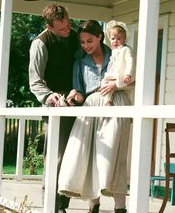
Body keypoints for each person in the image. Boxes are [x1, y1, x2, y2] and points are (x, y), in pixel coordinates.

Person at [58, 20, 135, 213]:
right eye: (82, 42)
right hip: (92, 106)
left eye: (89, 40)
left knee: (115, 154)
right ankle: (93, 203)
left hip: (115, 104)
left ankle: (120, 207)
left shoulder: (117, 52)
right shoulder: (80, 63)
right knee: (91, 153)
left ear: (100, 37)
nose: (86, 46)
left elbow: (132, 77)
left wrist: (116, 85)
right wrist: (76, 95)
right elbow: (82, 92)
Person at [28, 3, 79, 213]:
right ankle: (53, 205)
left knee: (76, 156)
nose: (67, 31)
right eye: (61, 29)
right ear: (49, 27)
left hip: (80, 104)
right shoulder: (40, 44)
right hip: (56, 107)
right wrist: (50, 96)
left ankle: (64, 204)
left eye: (68, 25)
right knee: (57, 157)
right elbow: (35, 81)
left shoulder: (77, 36)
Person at [101, 20, 135, 105]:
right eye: (113, 38)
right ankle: (108, 100)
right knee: (104, 82)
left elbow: (130, 62)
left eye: (119, 38)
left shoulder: (126, 49)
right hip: (113, 74)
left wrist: (128, 74)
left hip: (122, 76)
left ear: (125, 39)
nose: (115, 41)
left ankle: (110, 100)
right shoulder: (114, 51)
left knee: (117, 86)